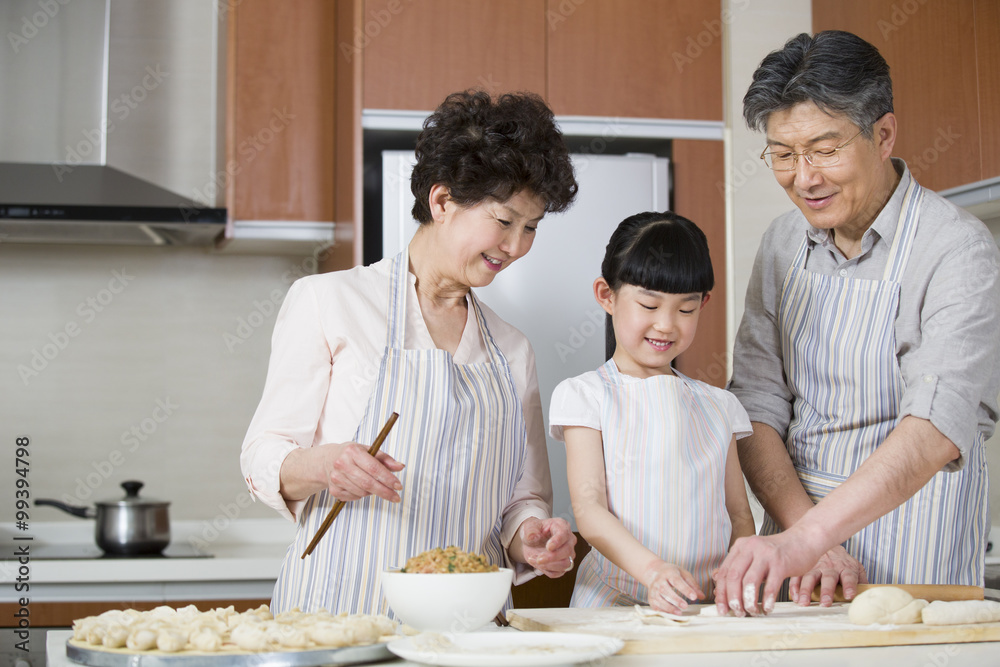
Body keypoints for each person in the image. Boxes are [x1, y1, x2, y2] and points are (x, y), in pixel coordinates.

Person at [240, 90, 580, 616]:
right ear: (442, 202)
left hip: (466, 625)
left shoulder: (512, 349)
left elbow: (522, 497)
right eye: (504, 220)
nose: (515, 246)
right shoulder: (329, 302)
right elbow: (262, 454)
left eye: (531, 227)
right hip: (338, 614)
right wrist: (323, 465)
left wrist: (532, 534)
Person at [716, 30, 1000, 617]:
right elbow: (756, 405)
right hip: (798, 563)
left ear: (883, 134)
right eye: (783, 154)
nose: (804, 177)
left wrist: (806, 538)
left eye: (824, 149)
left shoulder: (956, 250)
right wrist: (806, 539)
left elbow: (934, 428)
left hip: (916, 549)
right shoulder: (782, 244)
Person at [548, 211, 756, 613]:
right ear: (607, 295)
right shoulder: (586, 395)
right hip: (612, 601)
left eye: (686, 309)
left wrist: (733, 578)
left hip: (703, 607)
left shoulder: (720, 405)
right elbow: (590, 508)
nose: (666, 324)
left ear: (704, 304)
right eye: (649, 304)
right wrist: (654, 571)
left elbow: (738, 513)